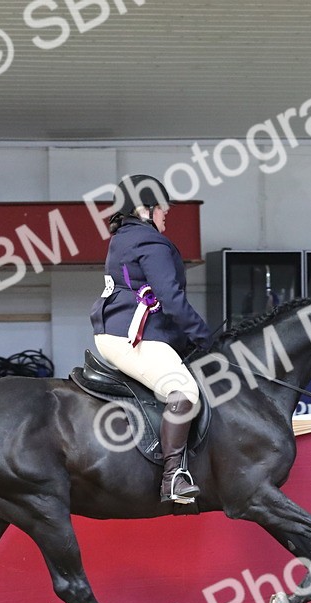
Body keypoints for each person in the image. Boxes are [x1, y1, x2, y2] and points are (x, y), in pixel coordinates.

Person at [89, 174, 214, 504]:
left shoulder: (125, 236)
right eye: (162, 210)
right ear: (144, 209)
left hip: (124, 330)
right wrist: (205, 337)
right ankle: (173, 477)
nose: (165, 216)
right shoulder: (149, 241)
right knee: (184, 391)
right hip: (132, 335)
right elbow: (171, 299)